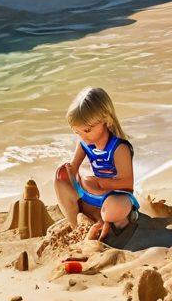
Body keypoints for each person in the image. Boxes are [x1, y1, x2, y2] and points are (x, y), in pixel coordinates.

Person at [54, 87, 139, 248]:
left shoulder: (119, 148)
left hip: (116, 196)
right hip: (95, 193)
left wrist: (102, 183)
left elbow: (127, 183)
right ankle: (77, 225)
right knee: (59, 180)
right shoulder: (84, 143)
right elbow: (74, 168)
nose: (83, 136)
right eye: (77, 132)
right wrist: (69, 173)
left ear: (106, 120)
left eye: (87, 130)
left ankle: (112, 221)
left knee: (114, 208)